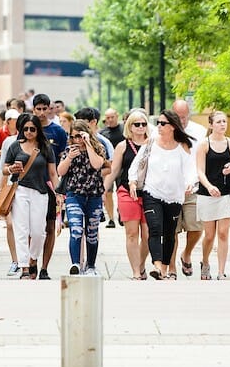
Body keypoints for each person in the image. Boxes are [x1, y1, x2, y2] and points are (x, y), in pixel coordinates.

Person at [129, 109, 195, 280]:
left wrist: (190, 182)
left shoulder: (183, 146)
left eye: (163, 123)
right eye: (157, 122)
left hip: (175, 196)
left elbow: (190, 169)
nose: (158, 126)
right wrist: (132, 181)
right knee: (154, 229)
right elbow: (136, 165)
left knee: (170, 233)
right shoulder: (150, 143)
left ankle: (165, 268)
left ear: (173, 126)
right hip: (152, 192)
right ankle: (157, 265)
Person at [2, 114, 61, 279]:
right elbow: (4, 169)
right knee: (21, 230)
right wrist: (12, 168)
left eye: (32, 129)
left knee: (38, 232)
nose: (28, 132)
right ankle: (24, 267)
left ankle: (33, 258)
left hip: (40, 192)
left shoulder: (45, 148)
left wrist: (58, 193)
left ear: (38, 130)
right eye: (25, 129)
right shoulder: (15, 146)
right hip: (20, 190)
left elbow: (52, 173)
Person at [57, 120, 108, 276]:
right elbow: (60, 171)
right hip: (74, 195)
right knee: (76, 229)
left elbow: (97, 165)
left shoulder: (99, 148)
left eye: (80, 136)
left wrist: (89, 145)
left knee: (92, 232)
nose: (77, 140)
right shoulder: (69, 150)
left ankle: (91, 266)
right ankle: (75, 264)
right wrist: (69, 158)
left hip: (94, 196)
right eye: (74, 137)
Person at [104, 109, 151, 279]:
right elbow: (114, 170)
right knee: (132, 233)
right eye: (136, 124)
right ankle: (136, 272)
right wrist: (104, 189)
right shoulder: (123, 146)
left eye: (143, 124)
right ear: (129, 127)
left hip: (149, 193)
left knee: (148, 234)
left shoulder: (152, 145)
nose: (140, 127)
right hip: (126, 193)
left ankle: (141, 264)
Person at [195, 110, 230, 280]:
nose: (223, 124)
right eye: (219, 121)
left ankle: (221, 271)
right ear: (211, 124)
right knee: (209, 235)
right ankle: (205, 261)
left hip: (226, 194)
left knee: (223, 233)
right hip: (207, 195)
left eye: (224, 121)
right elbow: (199, 170)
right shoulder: (204, 145)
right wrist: (209, 186)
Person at [33, 93, 67, 279]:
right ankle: (30, 263)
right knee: (32, 228)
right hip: (30, 185)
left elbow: (63, 159)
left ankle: (44, 267)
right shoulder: (29, 129)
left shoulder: (59, 132)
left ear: (50, 109)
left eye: (44, 108)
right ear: (33, 109)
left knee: (50, 226)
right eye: (38, 109)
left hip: (51, 186)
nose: (41, 112)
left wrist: (60, 190)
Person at [172, 99, 208, 277]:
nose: (182, 121)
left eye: (184, 117)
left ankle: (186, 254)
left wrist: (193, 181)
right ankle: (171, 269)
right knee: (172, 231)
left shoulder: (199, 132)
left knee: (196, 227)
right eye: (178, 117)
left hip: (193, 187)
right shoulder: (163, 132)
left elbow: (200, 162)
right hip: (170, 190)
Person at [0, 108, 22, 276]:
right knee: (11, 224)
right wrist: (0, 188)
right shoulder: (9, 142)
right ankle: (15, 261)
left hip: (30, 187)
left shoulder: (37, 142)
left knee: (27, 228)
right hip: (12, 186)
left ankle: (27, 259)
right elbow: (2, 168)